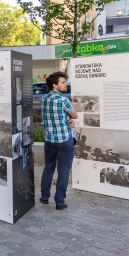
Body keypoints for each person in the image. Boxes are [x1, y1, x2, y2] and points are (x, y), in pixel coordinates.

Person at [39, 71, 77, 210]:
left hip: (49, 140)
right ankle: (60, 202)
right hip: (65, 140)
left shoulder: (43, 99)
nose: (65, 84)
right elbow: (75, 115)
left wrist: (68, 119)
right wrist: (70, 119)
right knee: (64, 171)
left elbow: (55, 117)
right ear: (54, 85)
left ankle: (44, 196)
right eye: (62, 82)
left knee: (48, 168)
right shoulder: (63, 100)